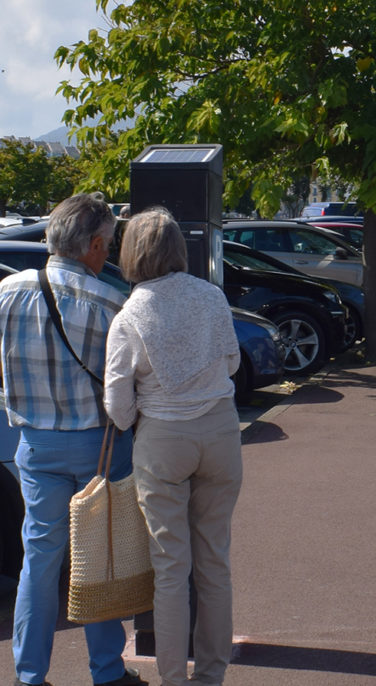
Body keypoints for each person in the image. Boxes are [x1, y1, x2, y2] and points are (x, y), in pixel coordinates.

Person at [0, 193, 147, 686]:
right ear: (95, 244)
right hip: (99, 446)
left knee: (38, 562)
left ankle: (29, 674)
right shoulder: (111, 302)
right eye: (106, 245)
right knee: (98, 555)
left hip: (34, 446)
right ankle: (106, 671)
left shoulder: (7, 291)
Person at [104, 208, 243, 686]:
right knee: (215, 563)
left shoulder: (130, 315)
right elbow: (231, 363)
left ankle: (173, 679)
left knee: (170, 569)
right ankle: (211, 676)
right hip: (221, 434)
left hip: (163, 440)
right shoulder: (211, 296)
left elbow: (118, 406)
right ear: (180, 250)